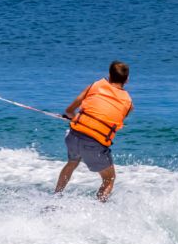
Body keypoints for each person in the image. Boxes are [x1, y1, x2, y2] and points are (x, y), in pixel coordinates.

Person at [55, 61, 134, 202]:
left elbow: (69, 111)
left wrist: (75, 119)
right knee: (109, 178)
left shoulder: (95, 86)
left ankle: (56, 197)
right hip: (94, 144)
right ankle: (97, 210)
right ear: (127, 80)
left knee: (72, 162)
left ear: (109, 76)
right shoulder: (128, 104)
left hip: (73, 138)